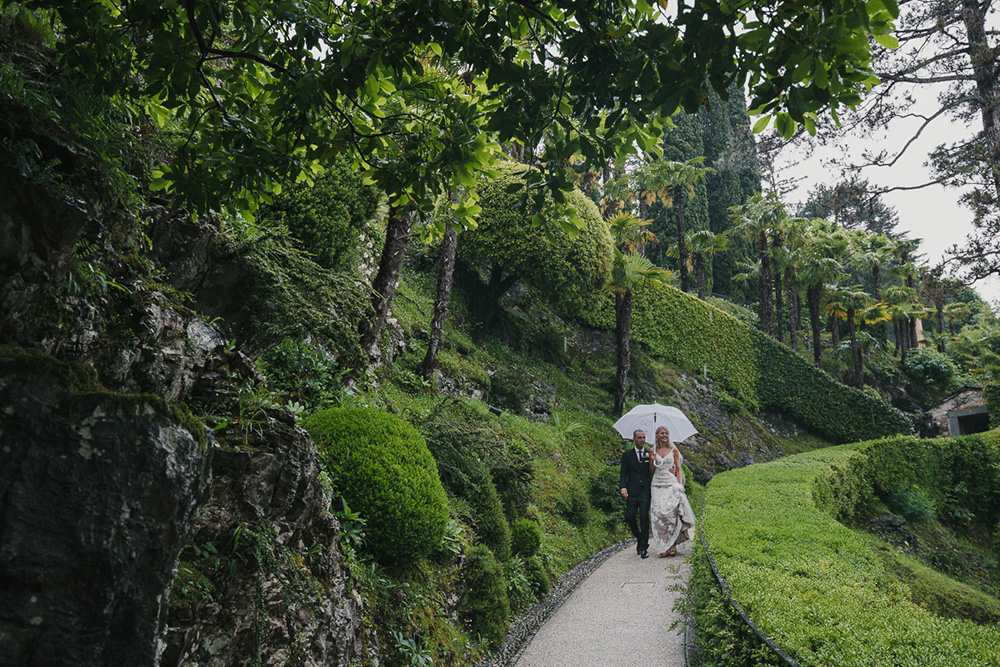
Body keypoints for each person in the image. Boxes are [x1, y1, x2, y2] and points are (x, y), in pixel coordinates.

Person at [648, 425, 695, 557]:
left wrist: (680, 485)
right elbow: (651, 472)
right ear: (657, 435)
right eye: (662, 433)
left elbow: (678, 469)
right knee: (658, 515)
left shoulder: (673, 450)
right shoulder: (652, 450)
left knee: (671, 514)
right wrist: (652, 461)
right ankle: (662, 544)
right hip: (657, 484)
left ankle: (672, 543)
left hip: (670, 484)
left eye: (666, 433)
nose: (664, 435)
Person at [619, 429, 652, 558]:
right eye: (639, 438)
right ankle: (640, 538)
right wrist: (623, 487)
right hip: (632, 490)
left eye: (644, 437)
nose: (642, 440)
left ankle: (643, 547)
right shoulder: (627, 455)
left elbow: (654, 471)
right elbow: (623, 473)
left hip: (645, 491)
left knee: (644, 516)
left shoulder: (650, 454)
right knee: (630, 517)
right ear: (634, 439)